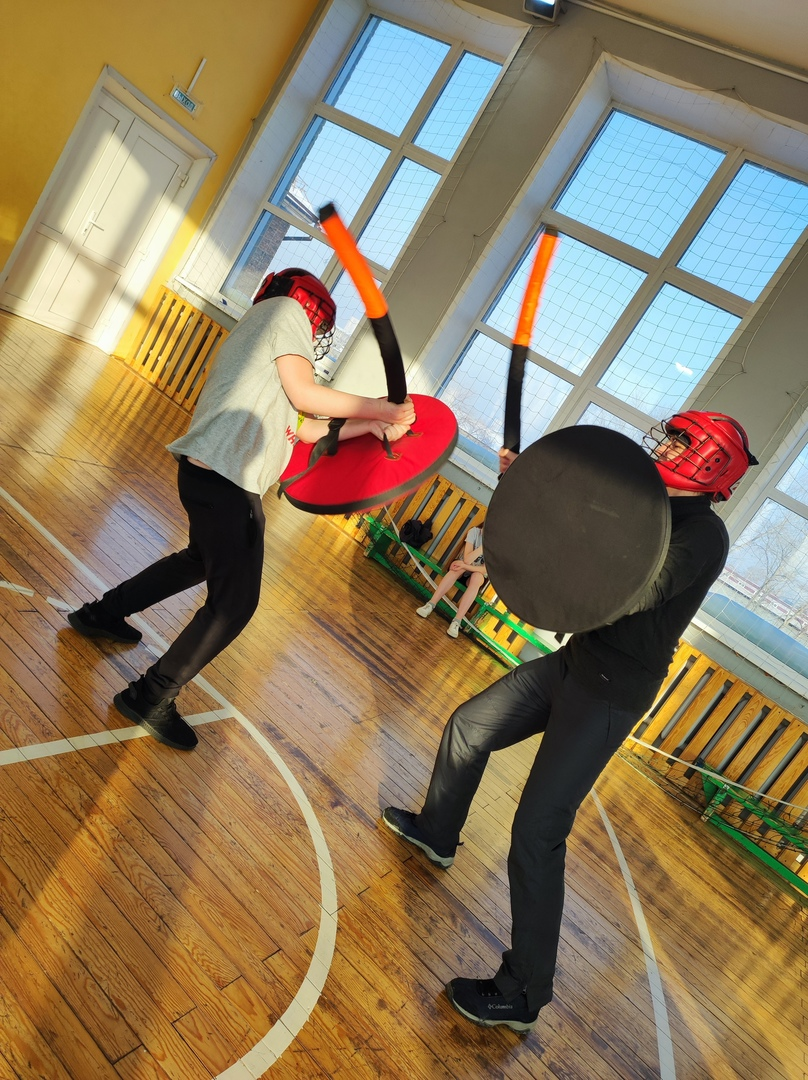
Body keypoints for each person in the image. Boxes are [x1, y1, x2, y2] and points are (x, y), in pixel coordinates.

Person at [382, 411, 757, 1033]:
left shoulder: (704, 535)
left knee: (537, 831)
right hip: (574, 664)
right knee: (470, 726)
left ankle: (523, 992)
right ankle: (438, 831)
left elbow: (631, 592)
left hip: (611, 693)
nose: (665, 446)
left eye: (680, 441)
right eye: (669, 437)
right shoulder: (643, 502)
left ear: (710, 461)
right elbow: (577, 529)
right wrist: (529, 490)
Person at [68, 268, 415, 751]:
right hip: (229, 485)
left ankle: (102, 614)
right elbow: (307, 396)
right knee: (234, 605)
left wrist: (371, 424)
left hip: (207, 477)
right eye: (319, 322)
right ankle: (149, 696)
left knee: (198, 561)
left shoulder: (263, 345)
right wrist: (381, 410)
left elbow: (305, 428)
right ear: (306, 307)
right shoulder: (285, 313)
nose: (316, 331)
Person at [416, 521, 486, 638]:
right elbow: (467, 559)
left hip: (475, 573)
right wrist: (482, 547)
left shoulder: (499, 546)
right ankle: (430, 605)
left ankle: (456, 622)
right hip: (460, 567)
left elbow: (484, 570)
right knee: (458, 568)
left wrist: (466, 566)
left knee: (477, 578)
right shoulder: (474, 532)